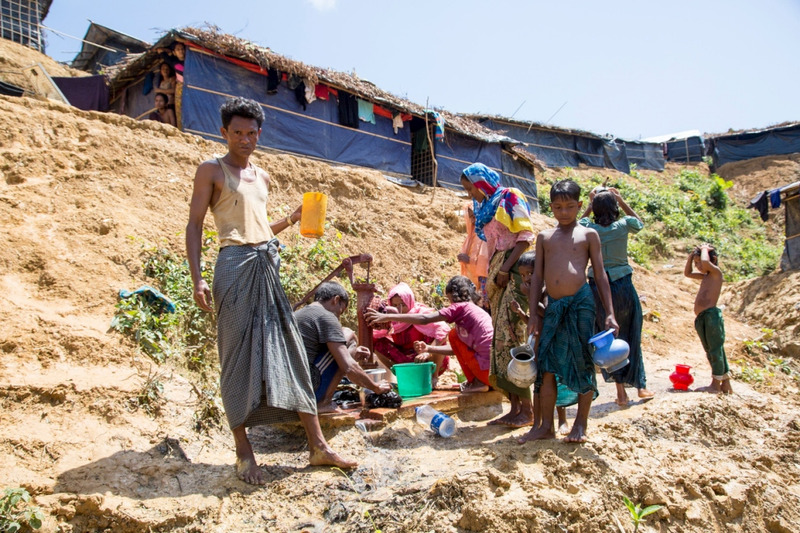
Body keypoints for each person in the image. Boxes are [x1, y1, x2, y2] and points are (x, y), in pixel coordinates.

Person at [185, 97, 355, 485]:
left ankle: (318, 447)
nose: (245, 139)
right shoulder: (211, 169)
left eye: (251, 133)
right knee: (236, 357)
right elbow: (194, 225)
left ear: (259, 134)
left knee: (291, 352)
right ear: (224, 132)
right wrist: (196, 278)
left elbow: (259, 229)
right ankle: (244, 455)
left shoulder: (262, 177)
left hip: (268, 267)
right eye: (237, 132)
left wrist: (292, 219)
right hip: (233, 268)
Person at [519, 179, 619, 444]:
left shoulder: (588, 235)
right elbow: (537, 276)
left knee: (583, 362)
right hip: (554, 306)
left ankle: (581, 424)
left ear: (580, 206)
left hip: (581, 304)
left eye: (570, 207)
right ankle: (546, 427)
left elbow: (600, 274)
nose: (564, 212)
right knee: (547, 366)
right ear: (550, 206)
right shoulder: (544, 237)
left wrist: (609, 312)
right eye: (558, 207)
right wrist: (532, 317)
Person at [460, 162, 535, 428]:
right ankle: (514, 406)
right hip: (496, 273)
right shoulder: (484, 207)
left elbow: (525, 237)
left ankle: (527, 409)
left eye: (471, 188)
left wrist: (504, 269)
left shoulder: (510, 197)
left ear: (481, 183)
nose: (471, 195)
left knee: (512, 335)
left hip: (513, 273)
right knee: (498, 342)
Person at [579, 187, 654, 406]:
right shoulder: (623, 226)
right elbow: (638, 223)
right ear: (614, 208)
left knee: (607, 338)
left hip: (597, 288)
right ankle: (641, 386)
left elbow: (577, 224)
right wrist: (621, 200)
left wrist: (591, 203)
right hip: (623, 286)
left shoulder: (590, 230)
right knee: (632, 332)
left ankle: (621, 393)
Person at [367, 276, 493, 394]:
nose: (450, 304)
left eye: (449, 300)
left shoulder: (460, 308)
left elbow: (424, 319)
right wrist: (428, 348)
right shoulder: (475, 310)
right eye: (394, 306)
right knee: (455, 335)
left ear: (454, 297)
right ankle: (478, 381)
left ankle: (477, 382)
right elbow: (457, 350)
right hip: (493, 373)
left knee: (453, 334)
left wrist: (386, 316)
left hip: (485, 370)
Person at [294, 282, 391, 412]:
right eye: (341, 311)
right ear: (336, 300)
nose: (338, 317)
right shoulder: (326, 316)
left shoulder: (298, 314)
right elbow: (349, 367)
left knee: (344, 343)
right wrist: (375, 387)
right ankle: (323, 402)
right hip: (306, 390)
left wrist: (354, 352)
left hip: (290, 386)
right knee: (348, 336)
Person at [509, 252, 570, 435]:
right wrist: (520, 313)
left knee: (555, 383)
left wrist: (530, 297)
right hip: (538, 343)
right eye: (524, 275)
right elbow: (534, 320)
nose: (527, 278)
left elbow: (549, 314)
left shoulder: (548, 291)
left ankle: (562, 421)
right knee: (539, 384)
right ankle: (539, 423)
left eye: (530, 273)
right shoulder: (535, 292)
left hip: (551, 342)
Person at [370, 282, 451, 382]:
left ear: (409, 302)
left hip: (426, 356)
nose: (399, 309)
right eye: (395, 305)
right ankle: (402, 376)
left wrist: (428, 351)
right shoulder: (390, 318)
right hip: (404, 358)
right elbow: (374, 337)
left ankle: (433, 377)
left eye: (403, 305)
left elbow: (444, 331)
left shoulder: (420, 313)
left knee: (436, 336)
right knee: (378, 344)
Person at [684, 243, 732, 394]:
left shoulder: (716, 273)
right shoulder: (705, 276)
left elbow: (706, 263)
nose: (698, 265)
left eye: (700, 262)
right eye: (696, 263)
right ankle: (725, 383)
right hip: (703, 318)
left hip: (711, 316)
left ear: (714, 260)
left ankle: (715, 384)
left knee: (715, 350)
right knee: (711, 350)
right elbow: (687, 273)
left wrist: (704, 249)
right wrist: (691, 257)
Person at [457, 202, 490, 309]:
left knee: (483, 308)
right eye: (470, 217)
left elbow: (485, 260)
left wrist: (470, 260)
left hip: (483, 280)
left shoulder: (486, 234)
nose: (472, 220)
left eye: (474, 216)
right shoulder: (472, 235)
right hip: (472, 280)